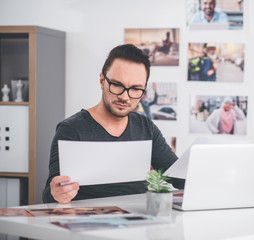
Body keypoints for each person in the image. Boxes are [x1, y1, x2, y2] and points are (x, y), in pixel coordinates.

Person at [42, 44, 183, 204]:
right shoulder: (71, 130)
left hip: (136, 223)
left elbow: (179, 177)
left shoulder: (146, 127)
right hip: (86, 224)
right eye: (117, 85)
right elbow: (49, 195)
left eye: (136, 89)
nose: (125, 97)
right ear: (102, 81)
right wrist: (57, 192)